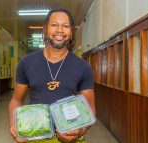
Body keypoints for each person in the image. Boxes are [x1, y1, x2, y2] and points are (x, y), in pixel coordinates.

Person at [9, 8, 96, 143]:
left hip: (72, 136)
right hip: (36, 135)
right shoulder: (26, 63)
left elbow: (90, 108)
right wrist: (14, 124)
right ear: (45, 30)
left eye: (65, 26)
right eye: (54, 25)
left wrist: (81, 130)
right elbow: (16, 100)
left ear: (71, 32)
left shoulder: (82, 66)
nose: (60, 30)